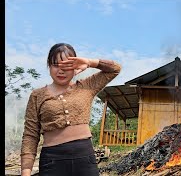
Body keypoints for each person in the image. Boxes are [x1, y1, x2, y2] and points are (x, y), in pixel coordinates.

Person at [20, 43, 121, 176]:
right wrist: (26, 171)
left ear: (75, 66)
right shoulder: (37, 95)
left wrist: (90, 62)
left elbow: (115, 69)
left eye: (67, 66)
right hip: (52, 161)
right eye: (56, 65)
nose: (61, 71)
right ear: (49, 66)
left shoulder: (87, 86)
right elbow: (30, 134)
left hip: (85, 159)